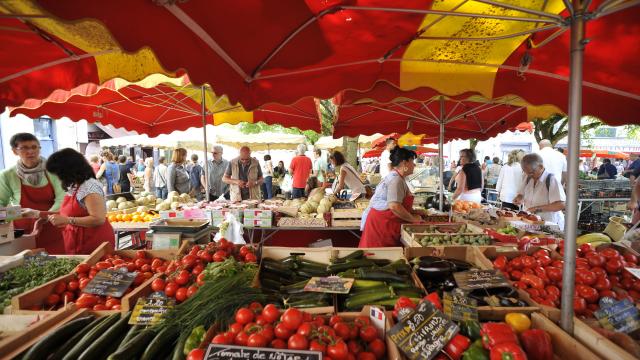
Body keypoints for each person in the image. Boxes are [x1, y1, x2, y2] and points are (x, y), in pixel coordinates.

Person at [0, 133, 66, 253]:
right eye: (24, 147)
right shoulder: (7, 175)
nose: (31, 151)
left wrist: (42, 215)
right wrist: (13, 214)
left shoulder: (54, 171)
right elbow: (0, 204)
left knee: (56, 263)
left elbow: (62, 198)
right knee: (29, 266)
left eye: (34, 147)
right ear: (15, 151)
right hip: (24, 232)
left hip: (51, 225)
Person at [45, 148, 114, 254]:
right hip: (78, 240)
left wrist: (68, 220)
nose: (57, 178)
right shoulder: (75, 185)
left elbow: (98, 219)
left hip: (93, 242)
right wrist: (41, 215)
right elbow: (69, 213)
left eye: (58, 173)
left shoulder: (89, 186)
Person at [359, 147, 421, 247]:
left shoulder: (397, 178)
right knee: (377, 257)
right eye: (412, 161)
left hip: (385, 225)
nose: (414, 165)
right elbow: (394, 206)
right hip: (381, 227)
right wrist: (413, 220)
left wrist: (414, 212)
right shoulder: (395, 180)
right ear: (405, 163)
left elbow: (399, 203)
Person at [513, 153, 566, 228]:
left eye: (532, 173)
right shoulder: (527, 176)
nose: (529, 175)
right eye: (525, 172)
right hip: (530, 222)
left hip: (548, 224)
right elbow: (521, 194)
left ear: (541, 167)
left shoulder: (551, 180)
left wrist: (536, 209)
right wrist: (519, 198)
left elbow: (561, 205)